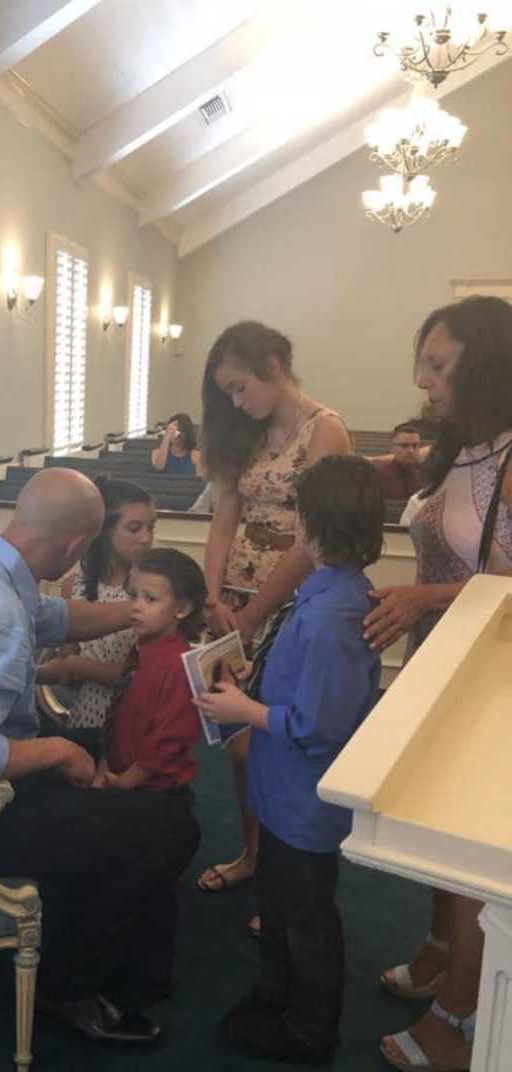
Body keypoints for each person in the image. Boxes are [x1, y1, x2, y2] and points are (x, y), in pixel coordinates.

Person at [0, 468, 200, 1046]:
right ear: (77, 546)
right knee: (168, 830)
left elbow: (56, 618)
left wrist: (150, 611)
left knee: (152, 809)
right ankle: (67, 984)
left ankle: (130, 959)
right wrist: (60, 752)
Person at [363, 295, 512, 1072]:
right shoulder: (467, 445)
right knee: (427, 824)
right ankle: (437, 951)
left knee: (467, 846)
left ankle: (461, 1011)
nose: (423, 381)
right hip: (440, 653)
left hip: (490, 674)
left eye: (438, 364)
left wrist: (423, 597)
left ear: (485, 363)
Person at [196, 455, 383, 1063]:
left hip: (304, 798)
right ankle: (275, 990)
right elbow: (305, 688)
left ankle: (308, 1031)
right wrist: (257, 679)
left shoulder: (335, 614)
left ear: (314, 525)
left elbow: (318, 726)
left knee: (305, 918)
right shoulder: (329, 592)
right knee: (276, 904)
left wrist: (245, 711)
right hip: (283, 792)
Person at [194, 321, 352, 910]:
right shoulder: (248, 433)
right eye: (228, 394)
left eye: (240, 387)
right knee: (240, 743)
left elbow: (311, 541)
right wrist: (214, 597)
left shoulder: (324, 431)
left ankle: (286, 880)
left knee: (278, 741)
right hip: (236, 603)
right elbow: (225, 518)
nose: (237, 402)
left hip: (291, 605)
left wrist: (255, 614)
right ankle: (254, 853)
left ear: (275, 366)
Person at [36, 477, 156, 756]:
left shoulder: (153, 589)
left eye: (151, 527)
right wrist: (55, 671)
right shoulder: (74, 586)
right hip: (88, 710)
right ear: (104, 531)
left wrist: (78, 666)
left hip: (135, 714)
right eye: (134, 528)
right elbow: (68, 665)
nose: (146, 538)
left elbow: (148, 678)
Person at [93, 548, 206, 794]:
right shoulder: (141, 651)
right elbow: (118, 717)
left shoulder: (180, 667)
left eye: (150, 599)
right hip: (120, 773)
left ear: (182, 609)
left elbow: (167, 741)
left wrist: (126, 783)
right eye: (133, 595)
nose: (136, 607)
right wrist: (104, 771)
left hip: (154, 792)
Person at [370, 423, 427, 501]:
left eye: (415, 445)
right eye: (404, 446)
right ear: (392, 448)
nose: (411, 450)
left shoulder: (426, 475)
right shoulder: (378, 475)